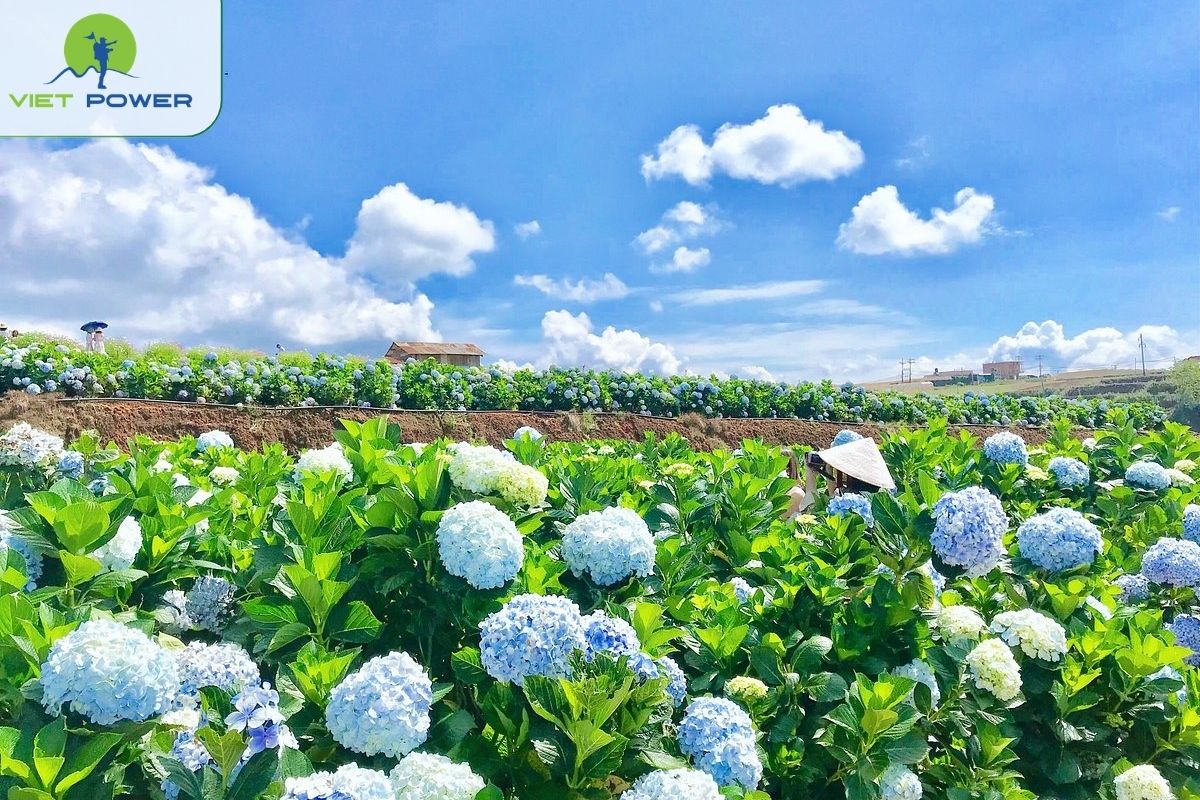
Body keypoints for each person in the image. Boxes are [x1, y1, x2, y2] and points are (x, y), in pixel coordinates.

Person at [782, 436, 896, 518]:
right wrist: (829, 475)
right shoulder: (881, 502)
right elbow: (834, 495)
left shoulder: (850, 503)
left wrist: (811, 477)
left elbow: (809, 513)